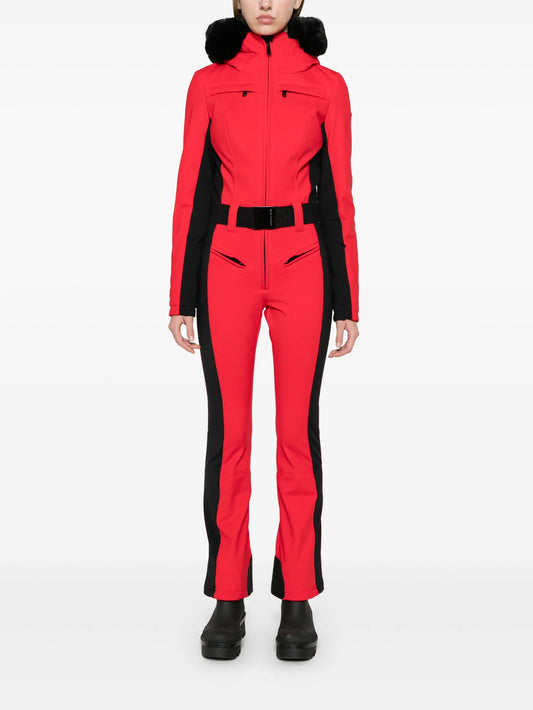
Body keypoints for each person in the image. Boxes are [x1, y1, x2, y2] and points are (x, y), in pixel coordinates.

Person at [168, 0, 360, 661]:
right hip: (225, 264)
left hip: (304, 264)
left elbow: (339, 194)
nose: (267, 3)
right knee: (230, 436)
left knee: (296, 437)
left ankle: (297, 594)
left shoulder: (327, 85)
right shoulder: (208, 81)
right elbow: (191, 186)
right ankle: (228, 595)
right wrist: (181, 292)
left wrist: (346, 299)